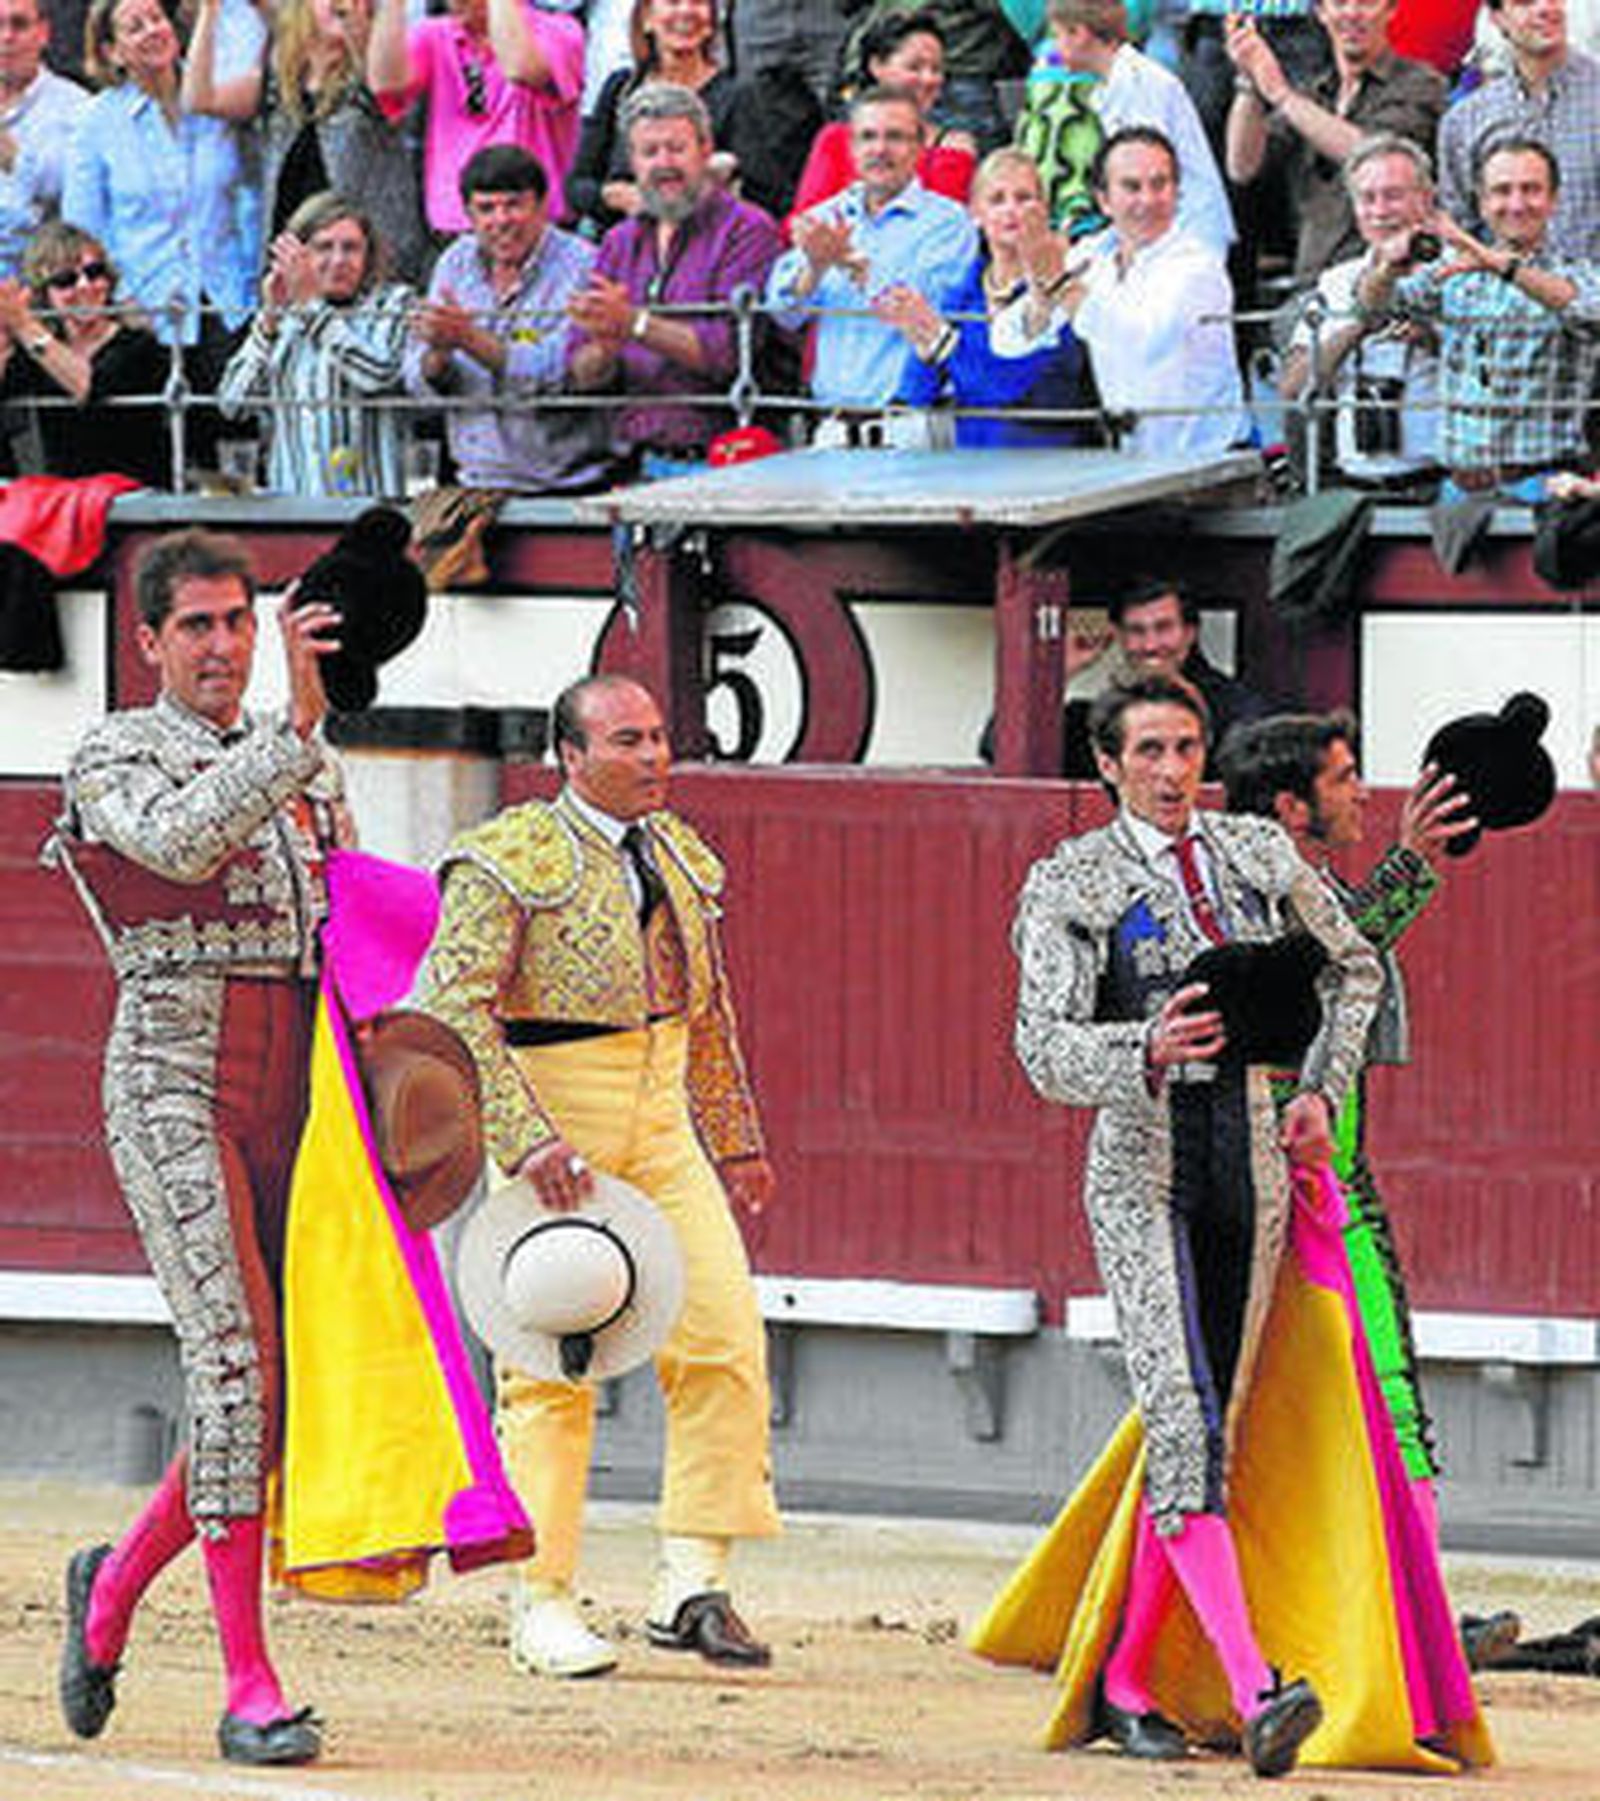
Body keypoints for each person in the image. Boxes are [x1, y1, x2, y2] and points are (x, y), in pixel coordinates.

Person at [998, 671, 1383, 1774]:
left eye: (1185, 748)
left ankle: (1127, 1679)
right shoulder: (1069, 881)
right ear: (1108, 763)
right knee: (1178, 1413)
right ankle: (1259, 1685)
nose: (1171, 772)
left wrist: (1319, 1089)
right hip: (1141, 1167)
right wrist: (1142, 1052)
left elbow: (1354, 969)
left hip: (1255, 1160)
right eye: (1149, 752)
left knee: (1211, 1427)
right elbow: (1041, 1047)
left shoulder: (1258, 856)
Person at [46, 529, 349, 1768]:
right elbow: (176, 846)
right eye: (200, 627)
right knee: (234, 1368)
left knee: (273, 1393)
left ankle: (110, 1589)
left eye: (238, 622)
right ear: (151, 641)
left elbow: (347, 916)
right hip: (175, 1084)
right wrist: (295, 734)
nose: (224, 646)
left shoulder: (309, 765)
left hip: (302, 1090)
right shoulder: (116, 749)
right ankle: (249, 1679)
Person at [411, 673, 781, 1680]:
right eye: (627, 739)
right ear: (568, 756)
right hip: (553, 1129)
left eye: (659, 735)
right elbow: (450, 1006)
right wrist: (524, 1138)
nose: (653, 754)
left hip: (661, 1124)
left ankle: (691, 1577)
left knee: (725, 1341)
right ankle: (540, 1598)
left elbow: (708, 1014)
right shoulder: (507, 858)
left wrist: (734, 1134)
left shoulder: (678, 854)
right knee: (548, 1372)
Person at [1213, 709, 1523, 1674]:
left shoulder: (1297, 884)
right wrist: (1413, 864)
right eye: (1344, 779)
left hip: (1340, 1187)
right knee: (1232, 1411)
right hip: (1266, 1196)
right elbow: (1325, 954)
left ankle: (1412, 1607)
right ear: (1290, 806)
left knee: (1384, 1392)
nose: (1361, 792)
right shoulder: (1247, 892)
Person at [62, 0, 260, 465]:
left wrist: (255, 282)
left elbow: (252, 194)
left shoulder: (219, 95)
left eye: (158, 18)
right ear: (112, 52)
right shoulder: (96, 121)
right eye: (135, 27)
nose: (154, 30)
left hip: (228, 302)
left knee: (234, 449)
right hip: (146, 312)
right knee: (162, 455)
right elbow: (82, 229)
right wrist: (119, 299)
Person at [1356, 135, 1600, 502]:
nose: (1516, 204)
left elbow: (1586, 309)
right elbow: (1372, 309)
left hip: (1548, 487)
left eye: (1530, 190)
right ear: (1482, 203)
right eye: (1502, 191)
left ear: (1554, 200)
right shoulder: (1453, 271)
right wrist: (1387, 268)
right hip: (1460, 491)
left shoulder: (1580, 273)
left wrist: (1495, 262)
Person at [992, 125, 1250, 458]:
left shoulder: (1198, 264)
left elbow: (1143, 340)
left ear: (1177, 192)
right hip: (1135, 466)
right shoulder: (1091, 254)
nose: (1148, 200)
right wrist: (1042, 295)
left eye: (1160, 185)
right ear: (1104, 200)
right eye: (1132, 187)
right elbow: (1007, 340)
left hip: (1211, 468)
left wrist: (1060, 283)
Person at [566, 82, 783, 471]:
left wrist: (635, 323)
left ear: (705, 149)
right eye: (649, 152)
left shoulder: (748, 230)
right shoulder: (618, 242)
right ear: (632, 161)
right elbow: (580, 374)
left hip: (727, 463)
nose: (664, 163)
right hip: (635, 463)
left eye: (676, 148)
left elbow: (729, 353)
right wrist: (605, 347)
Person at [404, 142, 613, 493]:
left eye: (514, 205)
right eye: (486, 208)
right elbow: (415, 381)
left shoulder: (583, 265)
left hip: (566, 487)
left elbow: (559, 374)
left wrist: (468, 338)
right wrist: (437, 355)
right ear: (469, 215)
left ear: (543, 205)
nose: (501, 220)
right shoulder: (454, 262)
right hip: (473, 484)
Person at [766, 82, 976, 426]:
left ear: (921, 146)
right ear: (851, 147)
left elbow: (931, 312)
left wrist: (851, 264)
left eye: (895, 137)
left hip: (910, 424)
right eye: (867, 136)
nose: (880, 149)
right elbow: (782, 313)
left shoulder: (949, 222)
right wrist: (815, 269)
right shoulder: (825, 216)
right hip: (830, 424)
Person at [183, 0, 428, 287]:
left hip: (367, 269)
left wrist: (357, 31)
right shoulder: (279, 84)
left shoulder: (372, 76)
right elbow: (199, 99)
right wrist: (209, 12)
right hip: (296, 267)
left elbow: (380, 87)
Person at [882, 143, 1095, 446]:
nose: (1011, 210)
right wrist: (924, 350)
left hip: (1053, 470)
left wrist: (945, 346)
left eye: (1024, 198)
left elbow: (1014, 392)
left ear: (1044, 209)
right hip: (976, 472)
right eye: (997, 200)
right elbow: (915, 398)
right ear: (975, 214)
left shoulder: (1066, 287)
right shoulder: (960, 294)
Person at [1226, 0, 1445, 282]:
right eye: (1339, 3)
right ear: (1321, 13)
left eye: (1366, 3)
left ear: (1391, 9)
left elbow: (1373, 156)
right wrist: (1249, 81)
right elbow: (1241, 167)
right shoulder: (1314, 94)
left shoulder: (1421, 84)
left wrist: (1280, 94)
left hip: (1397, 280)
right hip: (1311, 286)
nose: (1352, 13)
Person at [218, 191, 413, 498]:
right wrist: (268, 322)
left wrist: (311, 308)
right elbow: (233, 405)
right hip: (294, 509)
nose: (338, 261)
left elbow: (378, 374)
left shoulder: (393, 303)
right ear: (299, 255)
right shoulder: (284, 316)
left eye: (350, 248)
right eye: (323, 248)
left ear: (368, 256)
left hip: (372, 508)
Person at [1278, 133, 1442, 495]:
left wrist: (1431, 339)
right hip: (1354, 485)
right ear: (1354, 208)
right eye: (1368, 198)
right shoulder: (1337, 280)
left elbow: (1492, 375)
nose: (1381, 211)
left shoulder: (1459, 272)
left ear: (1427, 199)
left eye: (1394, 195)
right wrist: (1360, 323)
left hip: (1441, 480)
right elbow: (1293, 387)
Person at [366, 0, 586, 241]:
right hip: (455, 227)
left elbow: (521, 69)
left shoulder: (559, 30)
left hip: (538, 228)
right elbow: (386, 83)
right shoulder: (435, 34)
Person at [1047, 0, 1235, 257]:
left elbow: (1152, 171)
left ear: (1079, 34)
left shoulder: (1140, 82)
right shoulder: (1113, 83)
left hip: (1187, 234)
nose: (1054, 48)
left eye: (1057, 35)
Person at [0, 217, 169, 483]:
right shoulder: (39, 351)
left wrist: (23, 324)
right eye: (65, 279)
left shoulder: (140, 347)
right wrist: (4, 336)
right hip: (66, 500)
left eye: (94, 272)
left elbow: (92, 387)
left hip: (138, 497)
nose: (84, 286)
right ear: (45, 294)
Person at [1439, 0, 1600, 262]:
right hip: (1503, 296)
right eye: (1525, 2)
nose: (1545, 8)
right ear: (1497, 17)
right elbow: (1459, 231)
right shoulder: (1466, 120)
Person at [786, 9, 978, 228]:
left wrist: (951, 160)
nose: (929, 79)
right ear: (877, 66)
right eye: (914, 67)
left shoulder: (952, 149)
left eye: (936, 69)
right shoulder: (836, 139)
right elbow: (803, 223)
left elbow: (945, 230)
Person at [564, 0, 739, 239]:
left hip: (701, 243)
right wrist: (616, 197)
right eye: (672, 2)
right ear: (646, 18)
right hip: (616, 242)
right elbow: (577, 186)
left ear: (711, 22)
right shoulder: (620, 88)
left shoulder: (736, 96)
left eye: (697, 2)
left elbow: (755, 188)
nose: (686, 11)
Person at [0, 0, 88, 281]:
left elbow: (73, 199)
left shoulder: (77, 109)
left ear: (44, 33)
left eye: (19, 25)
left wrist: (13, 156)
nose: (6, 37)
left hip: (42, 284)